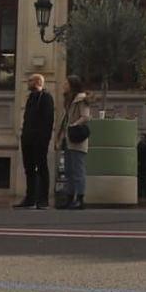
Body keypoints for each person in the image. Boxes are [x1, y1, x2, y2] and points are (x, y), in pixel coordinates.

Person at [16, 72, 55, 209]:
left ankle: (43, 199)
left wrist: (44, 139)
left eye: (30, 80)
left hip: (39, 140)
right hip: (27, 139)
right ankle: (30, 197)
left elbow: (48, 121)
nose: (27, 82)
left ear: (38, 82)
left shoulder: (46, 98)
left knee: (42, 168)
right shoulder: (31, 98)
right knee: (29, 169)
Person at [57, 76, 91, 210]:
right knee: (69, 170)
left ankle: (80, 199)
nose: (64, 84)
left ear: (72, 85)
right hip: (68, 138)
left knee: (78, 170)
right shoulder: (68, 99)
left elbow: (86, 116)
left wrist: (73, 125)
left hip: (76, 138)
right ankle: (70, 197)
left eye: (66, 83)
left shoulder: (81, 99)